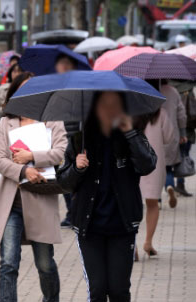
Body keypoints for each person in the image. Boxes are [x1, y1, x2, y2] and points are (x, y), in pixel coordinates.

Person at [57, 91, 157, 302]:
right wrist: (77, 167)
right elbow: (64, 182)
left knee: (120, 290)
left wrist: (129, 132)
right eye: (104, 105)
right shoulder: (80, 140)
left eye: (115, 106)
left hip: (122, 225)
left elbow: (148, 165)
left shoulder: (132, 136)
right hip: (89, 226)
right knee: (98, 290)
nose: (109, 111)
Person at [0, 76, 67, 302]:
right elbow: (0, 160)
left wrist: (32, 157)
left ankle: (51, 299)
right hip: (11, 203)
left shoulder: (51, 121)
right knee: (8, 263)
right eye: (22, 90)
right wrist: (23, 172)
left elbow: (61, 152)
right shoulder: (5, 123)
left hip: (40, 200)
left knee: (45, 264)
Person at [135, 108, 175, 257]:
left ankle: (133, 245)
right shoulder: (160, 112)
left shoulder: (129, 109)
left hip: (132, 163)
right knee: (152, 204)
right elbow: (169, 137)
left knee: (132, 204)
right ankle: (148, 242)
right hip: (154, 163)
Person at [54, 53, 77, 229]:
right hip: (58, 139)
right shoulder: (54, 88)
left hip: (75, 136)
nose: (64, 66)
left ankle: (75, 212)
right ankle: (71, 211)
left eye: (68, 63)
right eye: (62, 63)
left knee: (74, 174)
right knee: (62, 176)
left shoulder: (78, 87)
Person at [160, 82, 187, 208]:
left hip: (154, 134)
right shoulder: (173, 91)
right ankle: (170, 185)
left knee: (155, 168)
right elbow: (181, 114)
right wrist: (183, 133)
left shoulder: (149, 90)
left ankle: (157, 200)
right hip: (172, 133)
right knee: (168, 167)